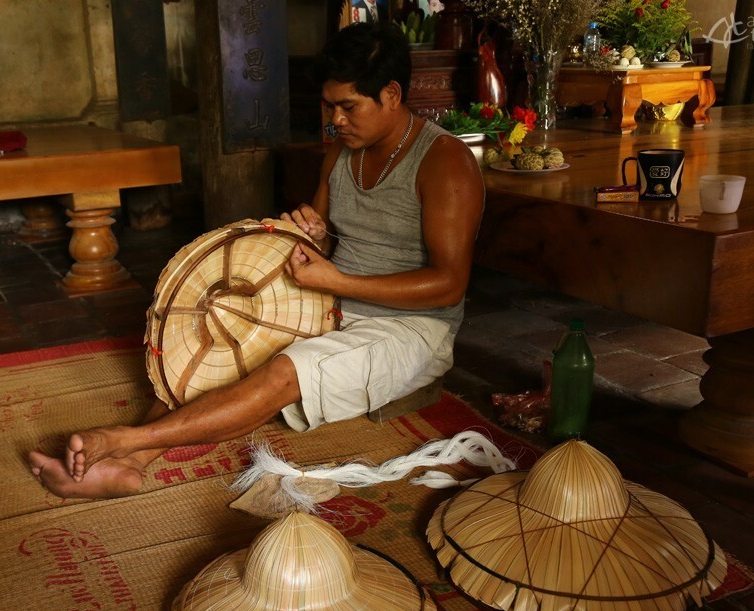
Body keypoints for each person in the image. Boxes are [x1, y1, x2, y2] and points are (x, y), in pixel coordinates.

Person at [28, 21, 484, 498]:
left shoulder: (445, 162)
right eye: (329, 106)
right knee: (227, 336)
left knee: (285, 370)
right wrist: (314, 238)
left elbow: (449, 284)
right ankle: (133, 464)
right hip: (333, 299)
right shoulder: (342, 153)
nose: (336, 121)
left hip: (411, 328)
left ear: (391, 94)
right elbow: (325, 246)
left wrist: (338, 280)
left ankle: (123, 441)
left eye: (349, 106)